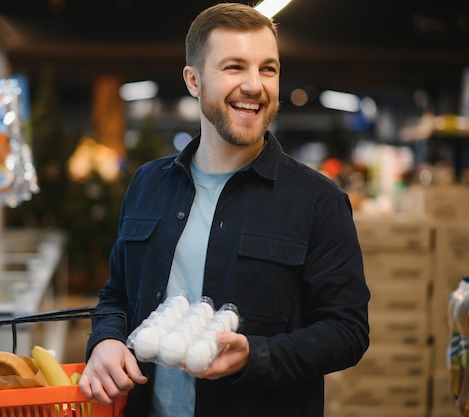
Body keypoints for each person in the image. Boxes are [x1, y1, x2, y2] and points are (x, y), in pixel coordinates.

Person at [78, 3, 370, 416]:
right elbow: (117, 295)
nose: (255, 85)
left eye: (268, 69)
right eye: (234, 67)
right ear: (193, 80)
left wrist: (256, 355)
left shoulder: (319, 202)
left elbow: (348, 332)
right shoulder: (148, 184)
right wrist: (106, 339)